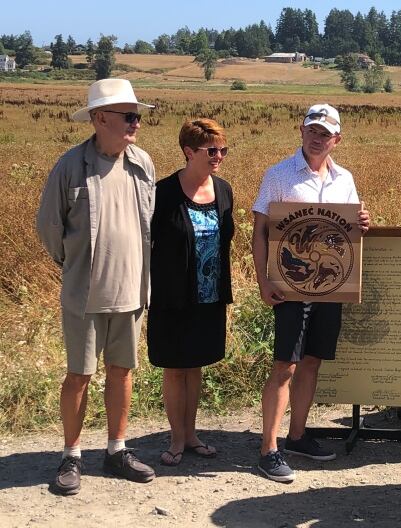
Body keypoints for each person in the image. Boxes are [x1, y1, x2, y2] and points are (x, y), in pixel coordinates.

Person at [36, 79, 156, 495]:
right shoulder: (69, 165)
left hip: (132, 291)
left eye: (138, 117)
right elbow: (49, 228)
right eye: (129, 116)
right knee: (79, 375)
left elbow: (147, 225)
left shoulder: (143, 163)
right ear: (99, 118)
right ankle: (72, 455)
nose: (136, 124)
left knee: (122, 373)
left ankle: (116, 450)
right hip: (84, 295)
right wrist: (73, 268)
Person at [251, 104, 370, 482]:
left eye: (326, 132)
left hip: (330, 287)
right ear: (301, 131)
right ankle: (268, 449)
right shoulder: (279, 175)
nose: (318, 137)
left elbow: (348, 233)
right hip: (290, 285)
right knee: (285, 365)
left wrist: (362, 223)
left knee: (313, 361)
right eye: (312, 130)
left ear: (337, 139)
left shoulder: (345, 179)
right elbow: (259, 232)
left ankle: (298, 435)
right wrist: (263, 280)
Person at [147, 119, 235, 466]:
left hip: (210, 296)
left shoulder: (224, 190)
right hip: (171, 296)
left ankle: (192, 433)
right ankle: (176, 438)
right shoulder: (163, 193)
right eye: (211, 150)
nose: (218, 156)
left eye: (222, 150)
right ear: (188, 152)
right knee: (175, 368)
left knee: (196, 365)